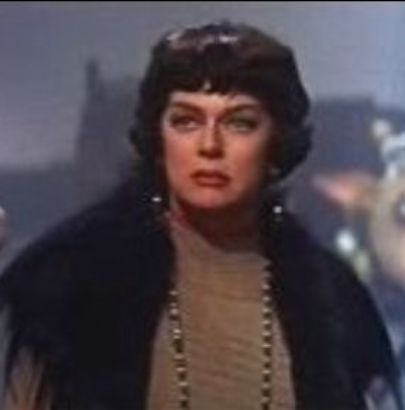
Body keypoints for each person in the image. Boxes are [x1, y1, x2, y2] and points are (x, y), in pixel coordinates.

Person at [0, 21, 401, 410]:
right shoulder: (68, 285)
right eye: (186, 121)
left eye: (239, 123)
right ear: (159, 140)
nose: (209, 145)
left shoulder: (336, 303)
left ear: (277, 143)